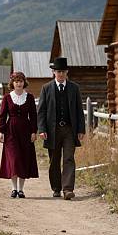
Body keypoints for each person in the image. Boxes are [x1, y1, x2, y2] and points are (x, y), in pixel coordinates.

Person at [37, 57, 85, 200]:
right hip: (52, 130)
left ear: (67, 72)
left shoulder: (74, 88)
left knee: (69, 158)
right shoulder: (46, 88)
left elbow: (79, 110)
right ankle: (56, 188)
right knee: (54, 160)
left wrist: (81, 130)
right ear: (53, 72)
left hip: (69, 130)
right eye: (58, 71)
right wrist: (42, 129)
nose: (61, 74)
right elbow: (41, 111)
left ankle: (68, 189)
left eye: (63, 71)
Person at [0, 71, 38, 198]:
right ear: (12, 83)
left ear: (24, 83)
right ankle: (14, 188)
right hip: (11, 133)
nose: (18, 83)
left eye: (20, 81)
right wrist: (0, 132)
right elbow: (2, 116)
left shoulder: (30, 97)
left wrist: (33, 131)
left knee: (23, 159)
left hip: (25, 132)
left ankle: (21, 189)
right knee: (14, 160)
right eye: (16, 81)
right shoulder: (7, 98)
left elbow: (33, 116)